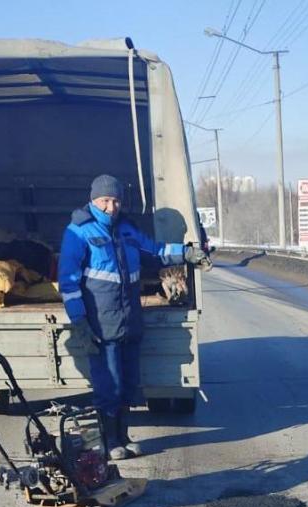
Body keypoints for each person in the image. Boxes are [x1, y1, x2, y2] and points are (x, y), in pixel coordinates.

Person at [58, 174, 209, 460]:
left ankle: (123, 437)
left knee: (128, 383)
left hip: (129, 321)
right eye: (105, 201)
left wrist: (186, 253)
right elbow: (68, 282)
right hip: (101, 324)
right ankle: (108, 441)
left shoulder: (127, 230)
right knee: (109, 385)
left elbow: (156, 251)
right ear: (93, 200)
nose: (111, 207)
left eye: (115, 201)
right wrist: (79, 322)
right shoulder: (78, 233)